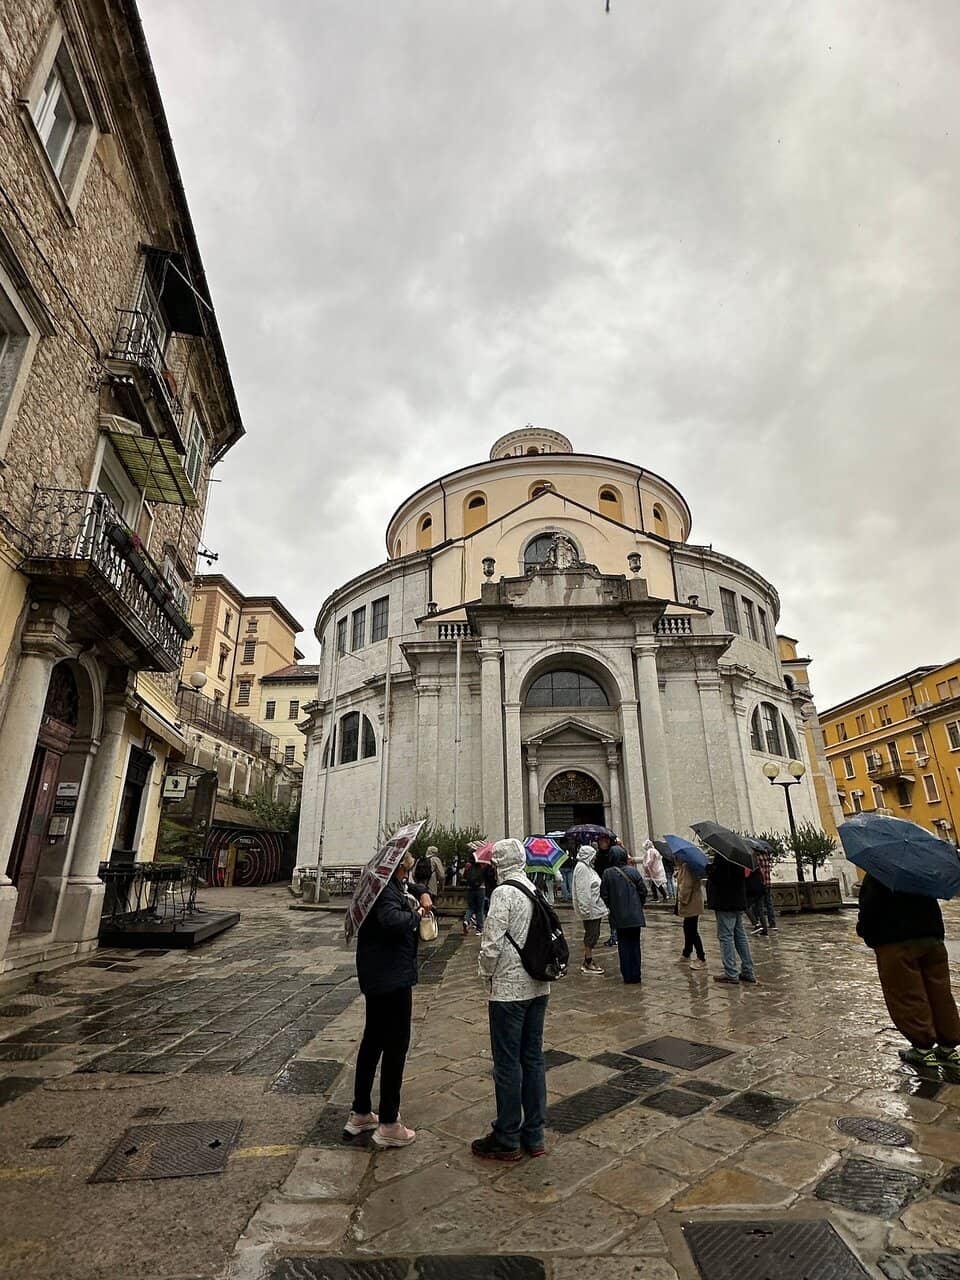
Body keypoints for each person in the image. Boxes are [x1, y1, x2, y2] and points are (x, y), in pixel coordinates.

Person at [473, 838, 552, 1161]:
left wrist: (484, 974)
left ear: (498, 864)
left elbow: (491, 944)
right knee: (533, 1059)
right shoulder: (535, 889)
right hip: (538, 987)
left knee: (507, 1064)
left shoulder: (503, 893)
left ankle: (506, 1135)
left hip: (508, 991)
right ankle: (534, 1135)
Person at [347, 850, 423, 1148]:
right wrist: (415, 916)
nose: (409, 876)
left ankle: (361, 1112)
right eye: (407, 871)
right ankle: (390, 1123)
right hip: (392, 980)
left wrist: (421, 892)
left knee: (372, 1042)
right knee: (396, 1048)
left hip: (377, 978)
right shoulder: (386, 895)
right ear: (400, 869)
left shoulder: (379, 887)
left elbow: (407, 891)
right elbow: (392, 919)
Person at [857, 872, 960, 1069]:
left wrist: (864, 931)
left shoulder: (879, 874)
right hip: (932, 940)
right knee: (940, 993)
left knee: (907, 994)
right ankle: (948, 1045)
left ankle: (922, 1048)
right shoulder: (919, 870)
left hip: (896, 943)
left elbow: (869, 911)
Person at [599, 845, 647, 983]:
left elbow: (604, 894)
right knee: (635, 945)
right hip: (634, 915)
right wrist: (638, 905)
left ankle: (627, 975)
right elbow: (643, 891)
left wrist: (613, 907)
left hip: (619, 916)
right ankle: (636, 974)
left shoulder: (607, 873)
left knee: (623, 945)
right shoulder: (633, 871)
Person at [707, 855, 758, 985]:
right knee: (740, 936)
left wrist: (709, 869)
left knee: (726, 937)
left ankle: (731, 972)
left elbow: (719, 877)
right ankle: (748, 970)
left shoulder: (722, 857)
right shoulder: (739, 857)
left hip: (725, 902)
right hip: (738, 900)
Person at [572, 845, 608, 975]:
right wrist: (585, 910)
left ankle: (588, 960)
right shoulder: (582, 868)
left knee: (594, 934)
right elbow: (582, 891)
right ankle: (587, 962)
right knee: (591, 935)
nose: (595, 857)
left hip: (594, 907)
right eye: (593, 855)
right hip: (591, 909)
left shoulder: (587, 868)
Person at [675, 858, 706, 966]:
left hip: (691, 902)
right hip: (693, 902)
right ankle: (686, 953)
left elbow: (686, 886)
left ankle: (701, 957)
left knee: (691, 930)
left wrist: (681, 898)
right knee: (688, 928)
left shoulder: (687, 866)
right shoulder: (687, 866)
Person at [595, 834, 619, 948]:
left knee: (615, 913)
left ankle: (615, 936)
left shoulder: (613, 854)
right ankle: (614, 935)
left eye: (605, 841)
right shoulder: (599, 855)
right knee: (612, 913)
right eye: (601, 841)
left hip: (614, 886)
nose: (602, 843)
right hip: (604, 886)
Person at [753, 841, 778, 935]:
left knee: (758, 905)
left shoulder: (757, 858)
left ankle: (757, 923)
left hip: (760, 884)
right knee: (769, 904)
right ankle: (772, 923)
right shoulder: (767, 857)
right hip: (768, 883)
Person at [463, 852, 487, 934]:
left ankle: (466, 920)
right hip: (481, 889)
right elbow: (486, 876)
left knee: (470, 907)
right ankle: (479, 929)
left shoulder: (468, 865)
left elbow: (465, 877)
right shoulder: (483, 865)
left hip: (471, 888)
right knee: (480, 909)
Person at [745, 865, 767, 936]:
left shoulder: (747, 867)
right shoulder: (758, 867)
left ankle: (756, 924)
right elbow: (763, 877)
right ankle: (765, 929)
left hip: (752, 890)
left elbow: (745, 876)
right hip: (761, 889)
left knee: (745, 907)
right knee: (760, 910)